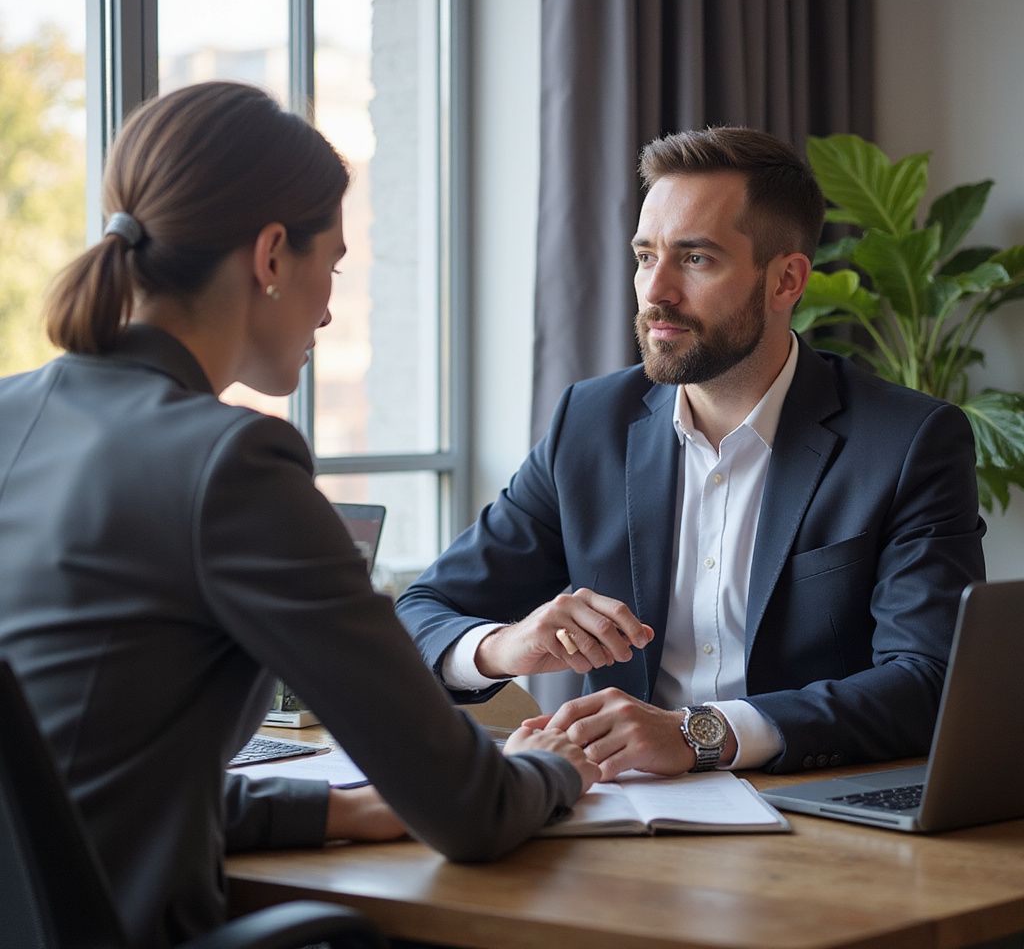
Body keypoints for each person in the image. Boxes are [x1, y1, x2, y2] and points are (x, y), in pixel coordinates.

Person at [0, 81, 597, 949]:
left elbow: (60, 784)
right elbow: (472, 811)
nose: (328, 306)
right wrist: (552, 768)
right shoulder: (230, 463)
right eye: (335, 266)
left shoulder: (12, 412)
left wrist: (330, 809)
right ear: (272, 255)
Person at [396, 125, 986, 782]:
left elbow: (932, 680)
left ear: (787, 280)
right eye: (646, 256)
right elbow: (419, 614)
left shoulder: (907, 442)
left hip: (816, 809)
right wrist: (506, 645)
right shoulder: (589, 425)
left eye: (696, 259)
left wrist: (700, 734)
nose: (656, 292)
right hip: (625, 810)